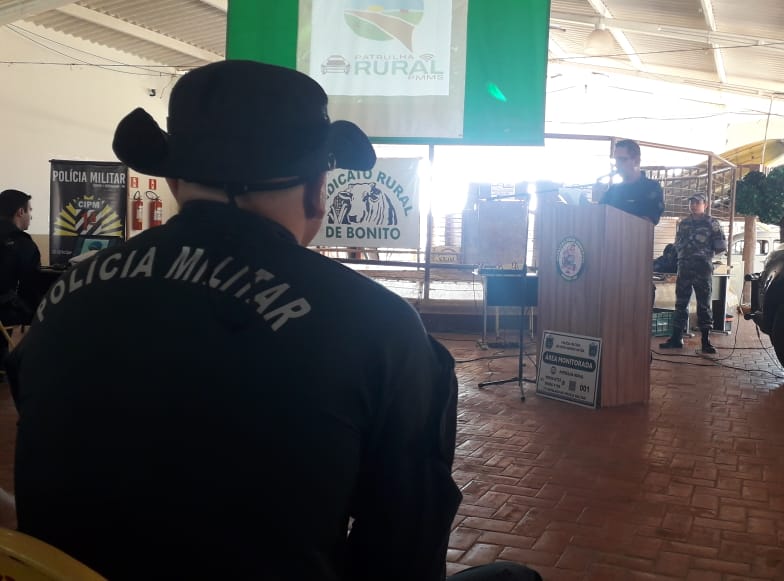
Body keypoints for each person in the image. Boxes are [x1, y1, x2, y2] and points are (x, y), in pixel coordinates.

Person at [7, 60, 539, 581]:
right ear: (317, 190)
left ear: (173, 181)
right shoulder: (377, 325)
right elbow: (406, 542)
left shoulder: (64, 297)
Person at [660, 194, 727, 354]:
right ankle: (676, 338)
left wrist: (704, 254)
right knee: (681, 303)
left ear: (706, 205)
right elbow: (677, 243)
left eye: (697, 202)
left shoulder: (712, 223)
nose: (694, 205)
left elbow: (721, 246)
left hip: (702, 268)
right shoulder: (683, 223)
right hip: (684, 267)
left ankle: (705, 341)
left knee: (704, 304)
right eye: (692, 202)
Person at [596, 139, 665, 225]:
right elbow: (598, 216)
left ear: (636, 161)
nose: (617, 165)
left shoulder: (652, 188)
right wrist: (598, 198)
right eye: (616, 160)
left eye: (622, 160)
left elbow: (648, 222)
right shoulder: (613, 190)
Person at [0, 189, 41, 327]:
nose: (31, 217)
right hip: (7, 318)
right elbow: (32, 286)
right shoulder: (24, 244)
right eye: (30, 211)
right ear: (20, 212)